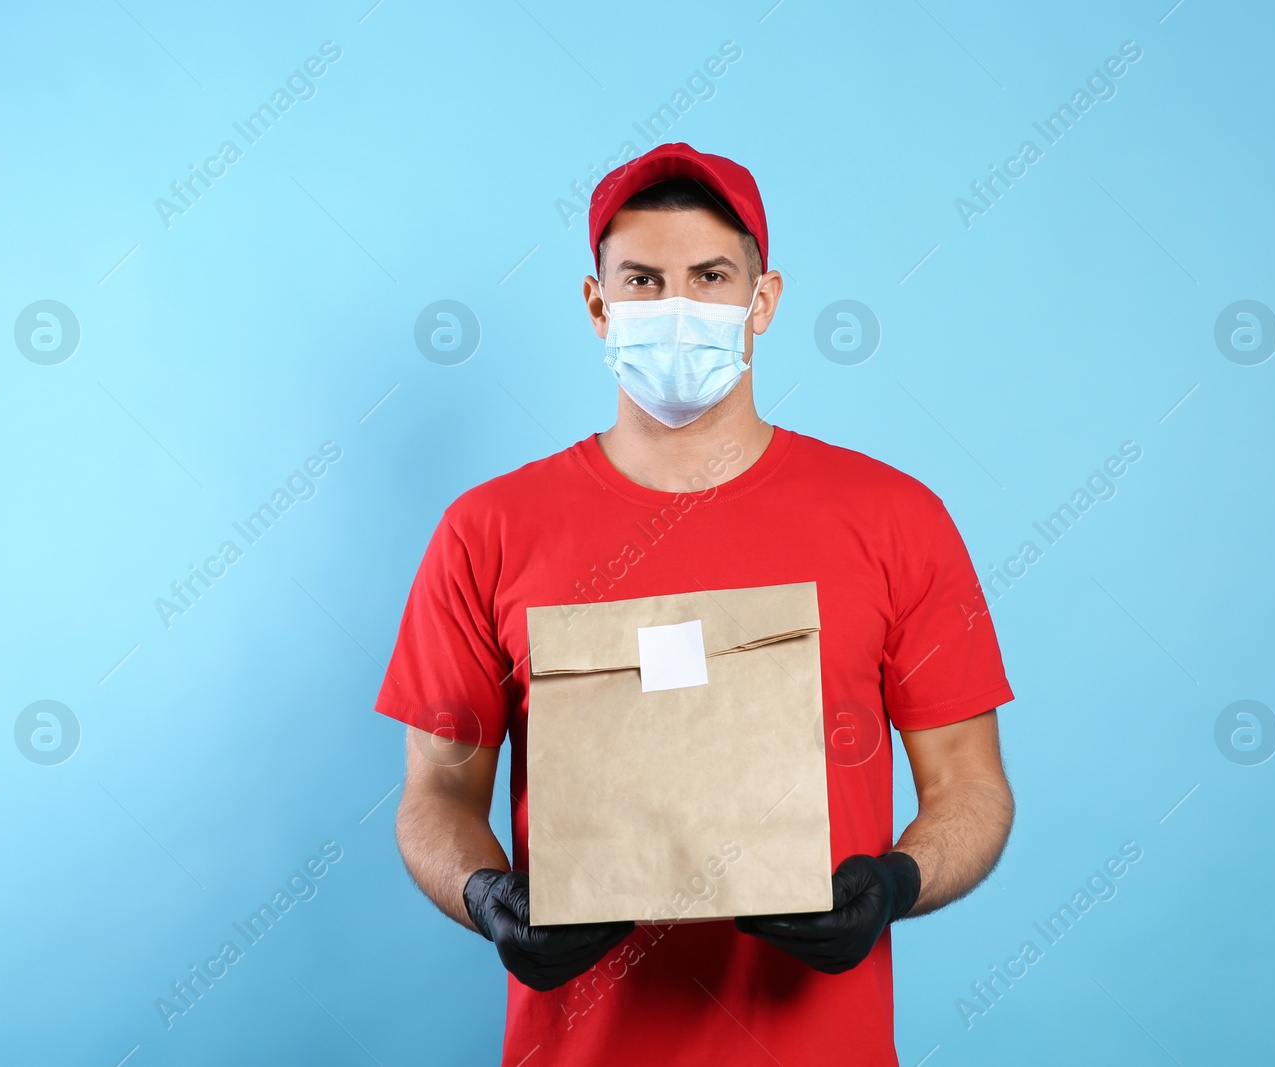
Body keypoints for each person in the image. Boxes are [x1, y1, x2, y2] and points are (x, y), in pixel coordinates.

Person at [377, 142, 1016, 1066]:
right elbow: (435, 790)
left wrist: (896, 882)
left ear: (764, 303)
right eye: (642, 279)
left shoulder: (894, 518)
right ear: (598, 306)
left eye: (711, 276)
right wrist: (486, 895)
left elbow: (970, 783)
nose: (675, 307)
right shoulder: (488, 529)